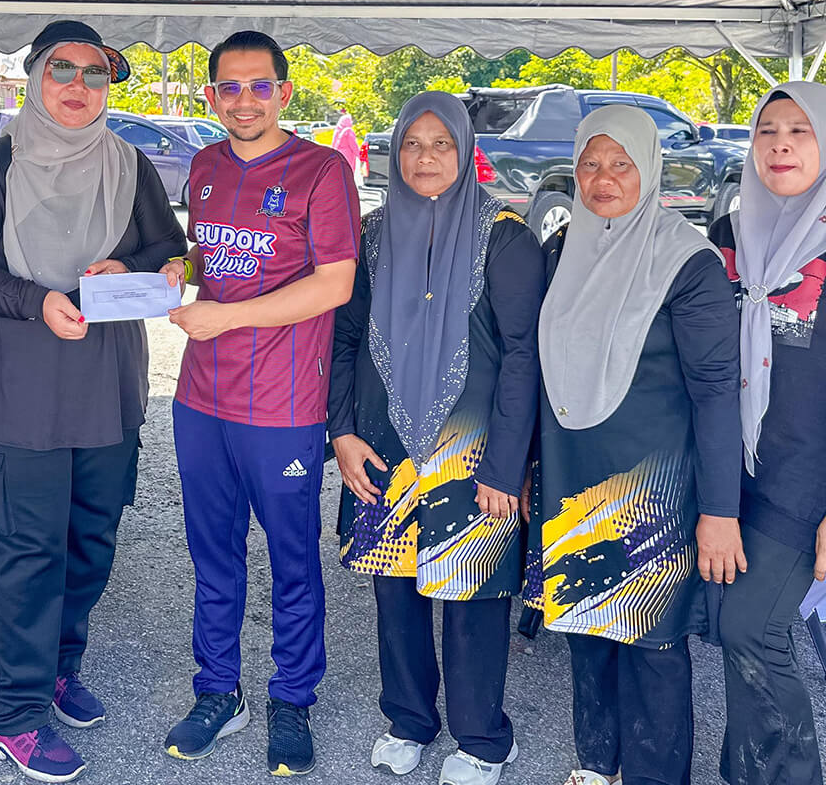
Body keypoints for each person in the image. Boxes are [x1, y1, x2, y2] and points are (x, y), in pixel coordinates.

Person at [0, 20, 186, 784]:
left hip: (107, 388)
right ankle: (13, 718)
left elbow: (168, 249)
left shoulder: (128, 162)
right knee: (25, 552)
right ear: (36, 78)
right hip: (17, 387)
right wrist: (34, 299)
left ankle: (57, 670)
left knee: (88, 542)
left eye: (94, 73)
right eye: (62, 70)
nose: (78, 86)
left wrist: (129, 265)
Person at [328, 91, 543, 785]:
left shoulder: (504, 236)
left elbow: (523, 356)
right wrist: (342, 432)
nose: (425, 158)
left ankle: (483, 739)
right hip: (382, 443)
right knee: (396, 591)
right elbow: (344, 338)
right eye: (412, 145)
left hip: (474, 452)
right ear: (395, 153)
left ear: (464, 150)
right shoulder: (371, 234)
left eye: (441, 144)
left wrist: (507, 466)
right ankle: (409, 721)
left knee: (475, 595)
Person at [160, 29, 360, 777]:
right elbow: (207, 259)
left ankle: (292, 697)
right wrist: (166, 269)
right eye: (229, 87)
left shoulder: (322, 170)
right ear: (211, 95)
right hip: (200, 398)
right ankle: (218, 691)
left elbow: (335, 283)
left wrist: (229, 318)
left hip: (283, 404)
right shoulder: (206, 165)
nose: (244, 100)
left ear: (284, 91)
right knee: (213, 555)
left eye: (259, 86)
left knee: (291, 561)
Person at [533, 104, 743, 785]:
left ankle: (656, 775)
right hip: (573, 470)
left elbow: (717, 394)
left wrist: (720, 510)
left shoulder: (687, 261)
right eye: (590, 163)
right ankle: (598, 762)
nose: (603, 179)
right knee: (587, 625)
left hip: (654, 486)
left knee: (652, 639)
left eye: (621, 163)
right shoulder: (560, 251)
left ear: (649, 167)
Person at [708, 81, 826, 785]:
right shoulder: (730, 234)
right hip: (736, 471)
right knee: (736, 631)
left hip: (805, 482)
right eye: (767, 131)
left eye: (799, 131)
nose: (780, 145)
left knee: (752, 628)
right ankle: (746, 769)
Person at [331, 104, 361, 183]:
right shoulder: (348, 131)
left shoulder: (337, 131)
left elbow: (333, 144)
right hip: (348, 155)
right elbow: (354, 146)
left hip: (338, 154)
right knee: (347, 175)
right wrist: (360, 156)